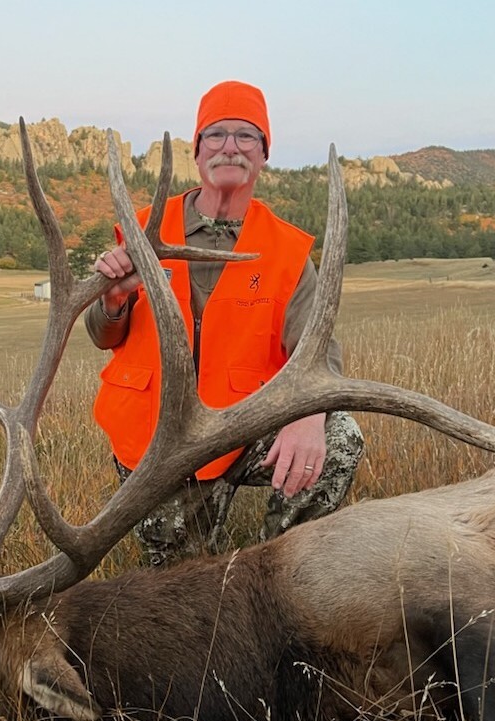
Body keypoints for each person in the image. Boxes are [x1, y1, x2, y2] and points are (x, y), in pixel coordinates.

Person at [85, 80, 364, 566]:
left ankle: (279, 569)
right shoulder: (145, 229)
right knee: (184, 589)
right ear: (197, 151)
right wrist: (113, 300)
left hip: (244, 428)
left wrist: (308, 414)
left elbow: (318, 349)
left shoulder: (286, 252)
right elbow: (102, 334)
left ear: (263, 155)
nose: (230, 147)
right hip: (159, 440)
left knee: (339, 438)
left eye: (246, 136)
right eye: (215, 135)